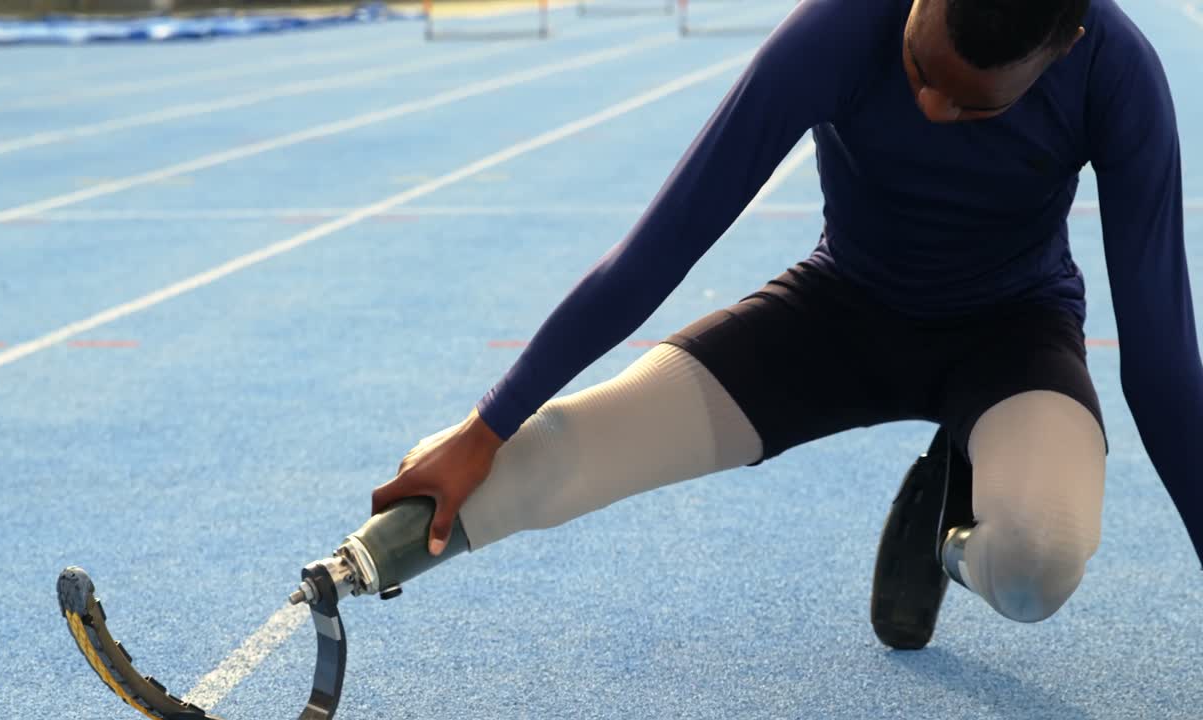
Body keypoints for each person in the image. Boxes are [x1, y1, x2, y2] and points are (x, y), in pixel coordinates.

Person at [371, 0, 1202, 650]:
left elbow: (1163, 369)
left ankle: (945, 541)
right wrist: (486, 425)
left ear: (1063, 48)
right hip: (834, 317)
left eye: (973, 106)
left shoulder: (1117, 74)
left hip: (1013, 339)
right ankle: (349, 569)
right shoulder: (836, 30)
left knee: (1036, 568)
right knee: (548, 459)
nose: (928, 105)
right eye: (920, 67)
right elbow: (656, 252)